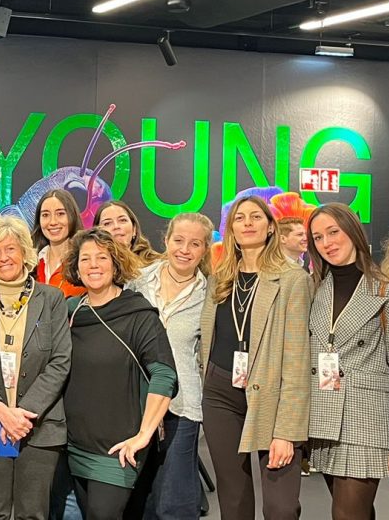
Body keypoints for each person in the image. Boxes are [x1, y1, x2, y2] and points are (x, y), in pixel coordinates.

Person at [199, 195, 312, 520]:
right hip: (220, 394)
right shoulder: (219, 279)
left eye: (256, 217)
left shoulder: (293, 280)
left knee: (281, 508)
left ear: (270, 227)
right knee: (233, 500)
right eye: (240, 218)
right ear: (231, 229)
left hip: (272, 396)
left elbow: (297, 359)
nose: (247, 223)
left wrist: (286, 431)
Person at [0, 215, 71, 520]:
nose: (3, 257)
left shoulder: (52, 299)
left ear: (24, 252)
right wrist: (2, 412)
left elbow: (60, 361)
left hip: (39, 425)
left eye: (10, 249)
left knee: (32, 514)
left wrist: (22, 414)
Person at [303, 203, 389, 520]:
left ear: (353, 232)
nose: (327, 243)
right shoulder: (313, 288)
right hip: (322, 412)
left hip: (366, 415)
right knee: (357, 513)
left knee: (347, 514)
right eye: (318, 237)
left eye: (333, 232)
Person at [64, 229, 176, 519]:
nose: (93, 265)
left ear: (115, 264)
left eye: (102, 257)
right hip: (74, 444)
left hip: (119, 448)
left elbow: (164, 375)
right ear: (76, 267)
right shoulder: (70, 312)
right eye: (85, 259)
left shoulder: (138, 314)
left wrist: (143, 435)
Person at [125, 212, 214, 520]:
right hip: (136, 401)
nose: (185, 250)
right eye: (178, 240)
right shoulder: (138, 282)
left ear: (205, 249)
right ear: (166, 240)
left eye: (195, 244)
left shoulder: (210, 294)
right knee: (139, 497)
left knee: (174, 501)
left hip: (182, 405)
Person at [33, 189, 85, 297]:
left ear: (72, 216)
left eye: (60, 214)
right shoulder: (32, 263)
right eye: (45, 215)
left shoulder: (84, 261)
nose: (53, 222)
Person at [94, 200, 162, 264]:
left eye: (122, 220)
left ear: (134, 229)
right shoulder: (93, 267)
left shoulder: (158, 265)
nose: (116, 226)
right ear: (96, 233)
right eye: (107, 223)